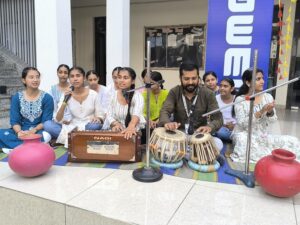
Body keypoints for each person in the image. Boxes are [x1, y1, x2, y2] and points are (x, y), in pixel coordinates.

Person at [231, 68, 300, 163]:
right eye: (258, 79)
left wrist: (269, 112)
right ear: (248, 82)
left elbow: (273, 120)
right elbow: (242, 123)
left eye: (262, 78)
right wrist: (261, 111)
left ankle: (268, 154)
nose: (262, 81)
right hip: (244, 134)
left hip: (262, 135)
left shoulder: (268, 97)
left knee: (293, 140)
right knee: (244, 141)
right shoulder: (241, 99)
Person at [159, 62, 224, 163]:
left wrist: (210, 127)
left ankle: (185, 156)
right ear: (180, 78)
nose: (190, 82)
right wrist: (167, 122)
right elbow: (165, 110)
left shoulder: (208, 94)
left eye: (194, 78)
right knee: (161, 144)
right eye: (186, 79)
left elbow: (218, 118)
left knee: (218, 143)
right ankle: (201, 155)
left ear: (198, 77)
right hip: (179, 135)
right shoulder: (174, 92)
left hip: (199, 136)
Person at [0, 67, 54, 150]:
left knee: (46, 136)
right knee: (1, 133)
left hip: (38, 131)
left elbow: (46, 121)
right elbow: (14, 120)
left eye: (37, 77)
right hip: (21, 131)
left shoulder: (47, 98)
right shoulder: (16, 97)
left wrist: (34, 130)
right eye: (31, 77)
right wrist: (19, 132)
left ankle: (15, 147)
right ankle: (33, 147)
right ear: (24, 80)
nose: (35, 80)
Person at [51, 66, 105, 146]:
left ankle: (69, 139)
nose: (75, 79)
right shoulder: (66, 94)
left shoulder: (93, 94)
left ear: (84, 78)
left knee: (96, 126)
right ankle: (80, 138)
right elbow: (58, 119)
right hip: (73, 125)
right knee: (48, 125)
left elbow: (101, 115)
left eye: (78, 76)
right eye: (72, 76)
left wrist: (98, 118)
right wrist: (65, 101)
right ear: (69, 79)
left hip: (89, 125)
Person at [104, 67, 145, 140]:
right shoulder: (113, 95)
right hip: (116, 130)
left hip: (133, 130)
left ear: (132, 81)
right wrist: (116, 124)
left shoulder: (138, 96)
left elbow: (137, 113)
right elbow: (109, 114)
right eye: (119, 77)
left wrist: (131, 127)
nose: (121, 80)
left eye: (125, 78)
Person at [44, 64, 71, 139]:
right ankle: (70, 139)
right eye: (60, 72)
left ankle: (65, 138)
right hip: (58, 122)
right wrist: (61, 121)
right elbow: (52, 109)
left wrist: (71, 121)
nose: (63, 75)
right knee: (47, 125)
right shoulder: (52, 90)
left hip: (72, 122)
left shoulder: (73, 88)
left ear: (68, 74)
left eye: (65, 73)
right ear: (57, 73)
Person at [215, 78, 236, 142]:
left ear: (232, 89)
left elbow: (242, 117)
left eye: (225, 86)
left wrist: (234, 126)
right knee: (220, 132)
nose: (222, 88)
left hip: (235, 128)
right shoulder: (215, 99)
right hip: (220, 127)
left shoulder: (237, 99)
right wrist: (223, 124)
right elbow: (212, 117)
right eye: (220, 86)